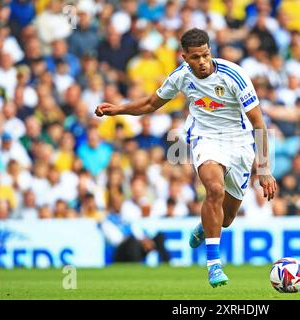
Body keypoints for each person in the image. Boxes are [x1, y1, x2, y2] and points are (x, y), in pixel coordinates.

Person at [95, 28, 277, 288]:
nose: (201, 62)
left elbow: (258, 122)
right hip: (206, 139)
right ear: (184, 57)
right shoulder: (180, 77)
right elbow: (149, 104)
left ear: (210, 51)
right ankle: (214, 264)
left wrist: (265, 169)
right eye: (195, 57)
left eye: (205, 55)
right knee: (214, 189)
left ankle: (205, 226)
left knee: (225, 219)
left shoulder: (234, 75)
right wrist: (119, 110)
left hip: (239, 143)